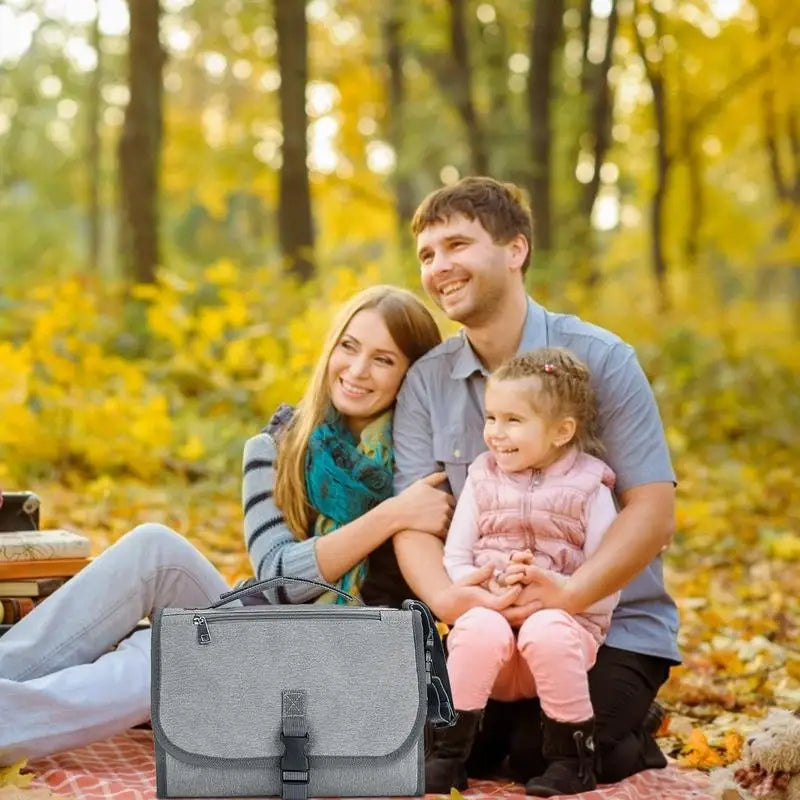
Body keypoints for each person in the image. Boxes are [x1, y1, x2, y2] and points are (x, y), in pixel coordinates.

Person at [0, 285, 450, 764]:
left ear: (412, 374)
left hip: (340, 674)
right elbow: (277, 578)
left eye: (383, 359)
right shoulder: (278, 447)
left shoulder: (422, 467)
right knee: (155, 550)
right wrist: (391, 515)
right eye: (349, 346)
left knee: (168, 652)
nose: (357, 370)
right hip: (264, 627)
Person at [391, 177, 681, 788]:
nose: (439, 266)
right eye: (426, 254)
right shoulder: (427, 382)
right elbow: (414, 520)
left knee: (536, 755)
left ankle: (634, 722)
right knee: (455, 750)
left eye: (457, 245)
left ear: (515, 250)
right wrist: (448, 600)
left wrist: (570, 596)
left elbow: (652, 513)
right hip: (485, 622)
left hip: (608, 626)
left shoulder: (602, 359)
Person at [427, 347, 620, 796]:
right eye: (492, 418)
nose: (495, 433)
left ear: (561, 431)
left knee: (549, 630)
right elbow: (456, 558)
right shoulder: (482, 478)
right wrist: (481, 588)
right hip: (492, 633)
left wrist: (562, 591)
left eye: (513, 420)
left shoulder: (590, 488)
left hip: (560, 636)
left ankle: (571, 761)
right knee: (476, 629)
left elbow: (606, 578)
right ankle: (447, 756)